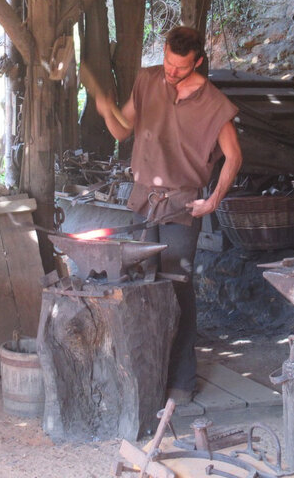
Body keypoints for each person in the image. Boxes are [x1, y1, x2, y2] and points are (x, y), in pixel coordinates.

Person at [95, 26, 242, 403]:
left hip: (181, 203)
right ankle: (147, 377)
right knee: (143, 285)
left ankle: (180, 381)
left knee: (177, 286)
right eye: (168, 62)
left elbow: (234, 156)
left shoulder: (213, 103)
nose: (171, 72)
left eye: (180, 67)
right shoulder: (147, 80)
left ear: (198, 62)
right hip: (144, 199)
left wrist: (212, 202)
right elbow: (121, 130)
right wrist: (104, 109)